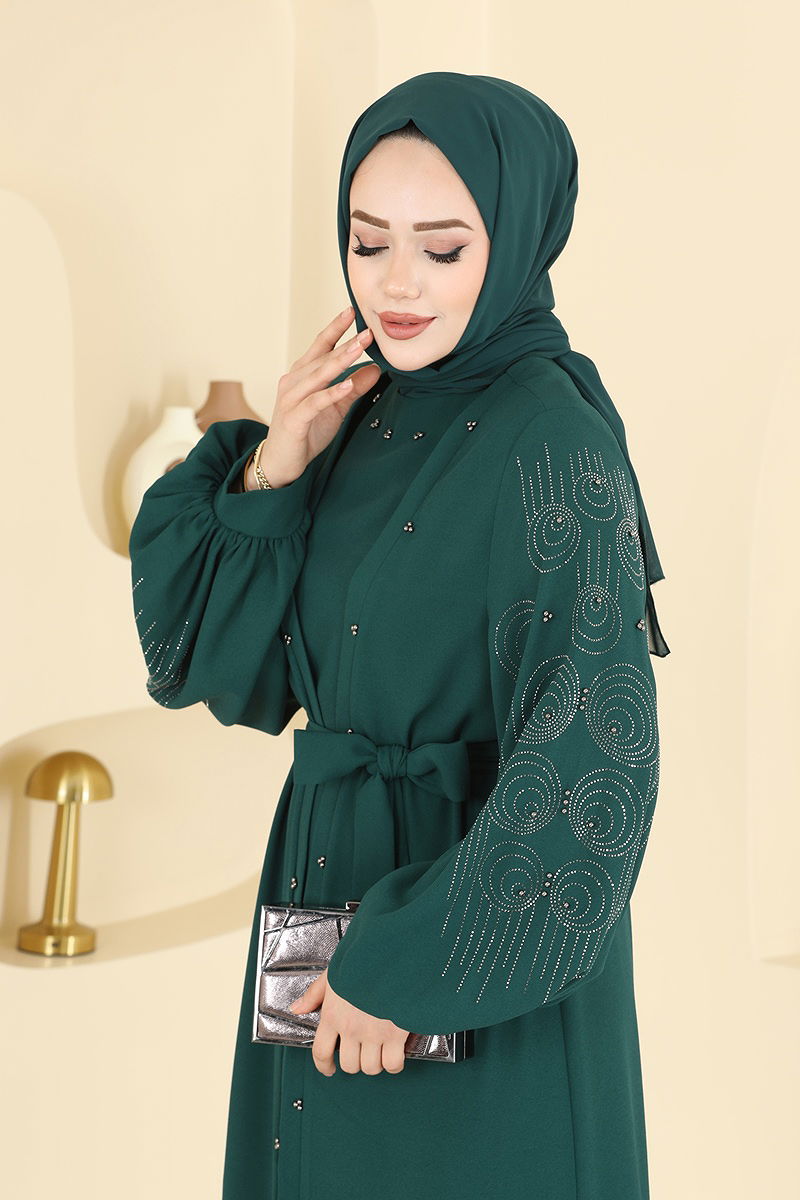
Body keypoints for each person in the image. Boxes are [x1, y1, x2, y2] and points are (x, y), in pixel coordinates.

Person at [129, 71, 669, 1200]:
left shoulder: (552, 442)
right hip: (321, 892)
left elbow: (592, 765)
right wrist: (277, 464)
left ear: (516, 240)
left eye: (443, 248)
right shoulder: (359, 408)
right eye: (368, 243)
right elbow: (208, 666)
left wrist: (405, 968)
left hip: (464, 954)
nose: (397, 285)